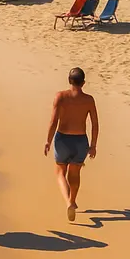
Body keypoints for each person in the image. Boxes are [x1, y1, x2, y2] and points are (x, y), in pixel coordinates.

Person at [44, 67, 99, 222]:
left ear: (69, 81)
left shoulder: (61, 96)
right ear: (84, 83)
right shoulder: (89, 100)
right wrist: (93, 145)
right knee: (75, 174)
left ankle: (68, 202)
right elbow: (95, 124)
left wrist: (48, 141)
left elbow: (53, 121)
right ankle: (73, 200)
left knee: (60, 172)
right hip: (81, 140)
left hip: (63, 139)